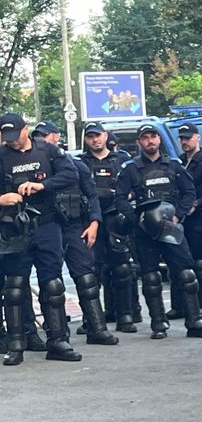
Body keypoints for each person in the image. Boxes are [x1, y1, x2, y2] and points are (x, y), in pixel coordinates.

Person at [114, 124, 202, 340]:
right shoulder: (130, 169)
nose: (150, 141)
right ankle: (158, 322)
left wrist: (179, 216)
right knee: (151, 278)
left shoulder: (174, 166)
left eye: (153, 137)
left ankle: (194, 321)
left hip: (172, 228)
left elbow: (190, 193)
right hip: (145, 233)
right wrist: (136, 221)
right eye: (145, 138)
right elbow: (120, 199)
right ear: (139, 142)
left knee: (187, 274)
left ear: (159, 140)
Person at [0, 112, 82, 365]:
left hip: (46, 224)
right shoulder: (1, 156)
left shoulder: (47, 151)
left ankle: (58, 341)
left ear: (26, 130)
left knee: (53, 284)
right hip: (14, 227)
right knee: (14, 287)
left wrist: (42, 186)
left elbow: (72, 175)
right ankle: (16, 344)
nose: (12, 142)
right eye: (7, 137)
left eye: (15, 136)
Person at [30, 122, 118, 345]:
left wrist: (94, 223)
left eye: (45, 136)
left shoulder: (75, 165)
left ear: (56, 138)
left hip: (74, 226)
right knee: (50, 283)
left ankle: (96, 328)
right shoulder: (31, 167)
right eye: (37, 137)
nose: (41, 140)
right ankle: (56, 333)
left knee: (87, 278)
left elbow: (91, 195)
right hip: (47, 227)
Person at [80, 121, 138, 334]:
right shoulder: (80, 163)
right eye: (90, 136)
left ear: (105, 136)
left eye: (97, 135)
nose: (94, 140)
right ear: (86, 140)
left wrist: (128, 196)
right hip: (89, 222)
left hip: (116, 220)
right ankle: (92, 320)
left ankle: (125, 316)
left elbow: (136, 186)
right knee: (90, 273)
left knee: (122, 270)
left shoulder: (122, 160)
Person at [169, 123, 202, 319]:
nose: (184, 141)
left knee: (201, 263)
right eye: (182, 138)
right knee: (179, 262)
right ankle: (180, 306)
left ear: (197, 138)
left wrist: (197, 203)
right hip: (182, 219)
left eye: (188, 138)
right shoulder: (178, 163)